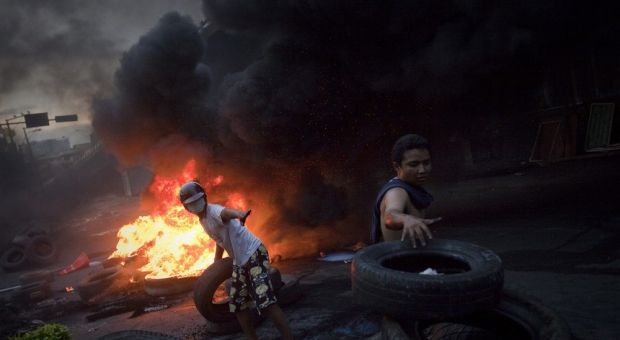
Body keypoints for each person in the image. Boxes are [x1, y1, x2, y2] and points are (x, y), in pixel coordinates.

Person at [179, 181, 293, 340]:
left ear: (204, 198)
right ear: (186, 208)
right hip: (240, 261)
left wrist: (239, 214)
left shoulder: (213, 211)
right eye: (192, 204)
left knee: (265, 302)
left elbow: (226, 213)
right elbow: (219, 239)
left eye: (198, 201)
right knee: (239, 305)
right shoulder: (203, 220)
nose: (196, 206)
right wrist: (216, 263)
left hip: (254, 254)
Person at [371, 134, 442, 246]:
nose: (422, 170)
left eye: (426, 163)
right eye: (414, 165)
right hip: (397, 261)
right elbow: (390, 216)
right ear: (397, 166)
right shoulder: (397, 192)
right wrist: (406, 219)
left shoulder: (411, 187)